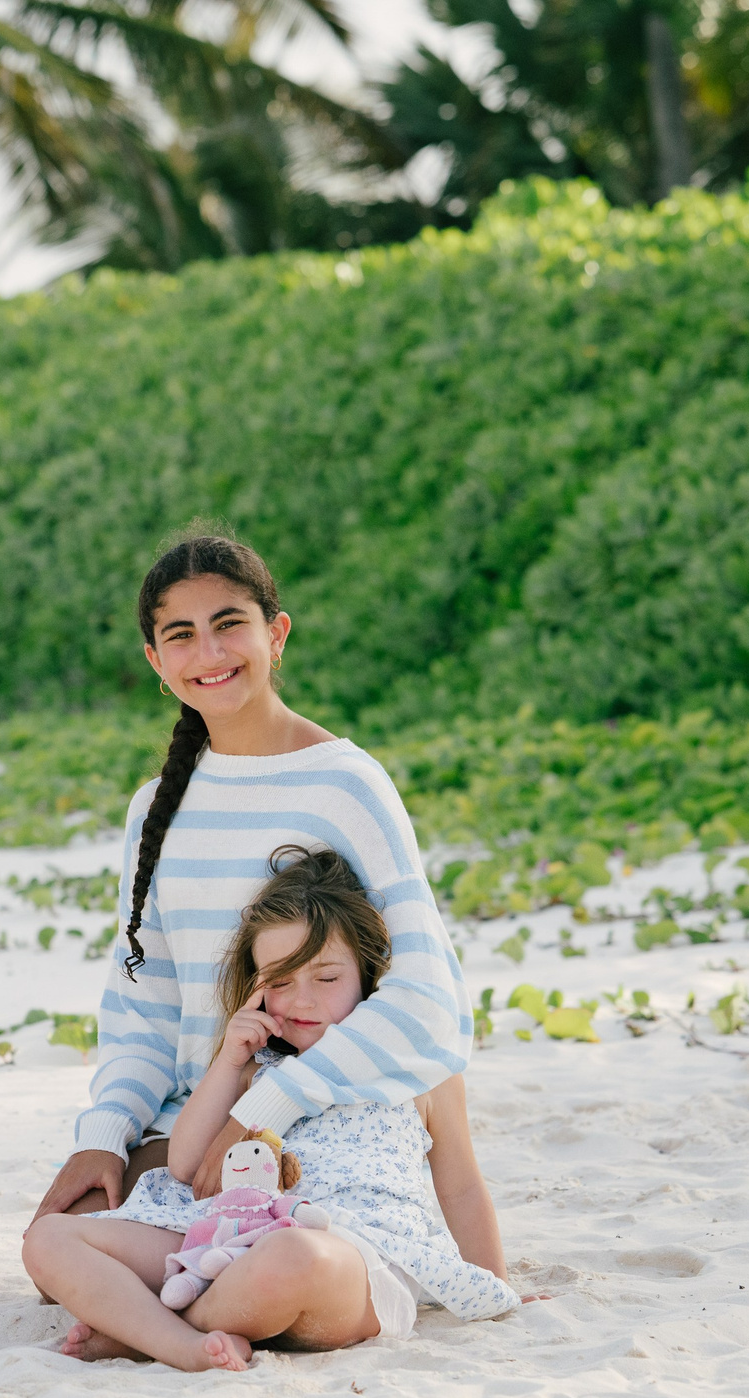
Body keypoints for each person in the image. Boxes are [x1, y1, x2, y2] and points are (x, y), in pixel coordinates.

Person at [26, 527, 472, 1241]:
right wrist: (104, 1136)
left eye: (229, 625)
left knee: (243, 1270)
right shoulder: (155, 810)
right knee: (61, 1247)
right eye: (182, 635)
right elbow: (146, 1007)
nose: (209, 654)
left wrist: (273, 1103)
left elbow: (426, 997)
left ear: (277, 634)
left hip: (319, 1117)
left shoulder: (346, 784)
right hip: (193, 1126)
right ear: (155, 659)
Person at [22, 847, 515, 1370]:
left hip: (349, 1258)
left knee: (292, 1255)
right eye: (280, 982)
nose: (303, 1001)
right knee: (49, 1238)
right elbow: (187, 1167)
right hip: (222, 1240)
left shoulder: (419, 1072)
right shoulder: (260, 1071)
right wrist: (231, 1064)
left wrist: (495, 1284)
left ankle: (148, 1333)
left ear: (368, 973)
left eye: (326, 979)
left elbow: (460, 1183)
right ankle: (184, 1344)